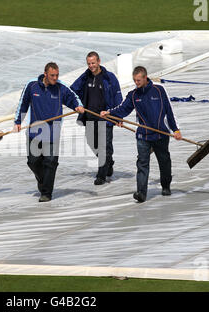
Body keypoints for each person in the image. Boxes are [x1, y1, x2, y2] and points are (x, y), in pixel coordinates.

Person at [101, 66, 182, 203]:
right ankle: (141, 193)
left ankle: (166, 186)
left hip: (160, 134)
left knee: (164, 162)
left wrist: (175, 130)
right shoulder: (133, 95)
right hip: (143, 135)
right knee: (142, 163)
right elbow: (123, 109)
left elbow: (169, 111)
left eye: (138, 80)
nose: (136, 83)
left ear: (145, 77)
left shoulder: (159, 90)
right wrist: (109, 113)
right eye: (134, 80)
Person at [13, 62, 84, 202]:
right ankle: (43, 181)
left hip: (52, 132)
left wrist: (78, 106)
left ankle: (46, 193)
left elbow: (72, 97)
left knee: (50, 162)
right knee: (33, 162)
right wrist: (17, 122)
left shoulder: (60, 87)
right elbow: (23, 103)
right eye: (52, 75)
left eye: (57, 75)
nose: (55, 78)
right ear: (45, 74)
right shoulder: (32, 85)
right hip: (34, 131)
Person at [71, 51, 123, 185]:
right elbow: (72, 91)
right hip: (89, 116)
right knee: (92, 143)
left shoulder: (109, 77)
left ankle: (101, 175)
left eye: (93, 63)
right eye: (89, 63)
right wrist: (77, 105)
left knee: (104, 146)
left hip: (105, 117)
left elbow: (118, 97)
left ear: (99, 61)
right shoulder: (85, 76)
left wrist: (118, 116)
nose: (91, 66)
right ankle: (108, 162)